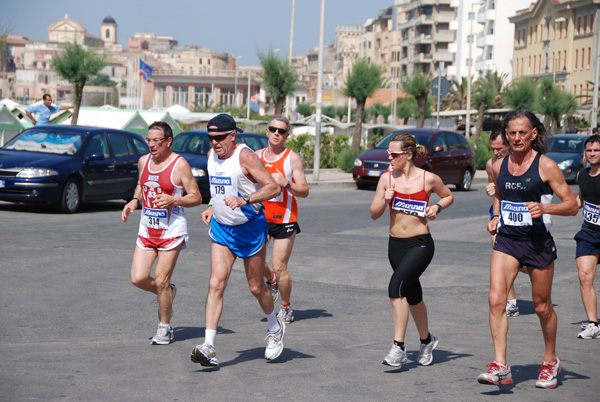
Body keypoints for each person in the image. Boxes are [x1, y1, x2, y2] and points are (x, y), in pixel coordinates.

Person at [478, 110, 578, 389]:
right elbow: (499, 193)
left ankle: (550, 361)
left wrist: (545, 207)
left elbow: (572, 204)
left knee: (542, 307)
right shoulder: (499, 166)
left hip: (537, 243)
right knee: (496, 299)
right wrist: (496, 217)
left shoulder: (545, 166)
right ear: (506, 135)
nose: (517, 137)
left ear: (533, 134)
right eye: (512, 133)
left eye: (523, 132)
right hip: (508, 240)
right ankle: (500, 365)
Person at [190, 114, 284, 367]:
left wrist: (245, 200)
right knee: (216, 283)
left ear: (232, 135)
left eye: (219, 138)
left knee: (256, 287)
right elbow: (218, 186)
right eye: (210, 138)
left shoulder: (245, 157)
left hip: (249, 228)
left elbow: (273, 188)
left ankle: (275, 328)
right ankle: (208, 345)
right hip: (222, 229)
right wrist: (211, 204)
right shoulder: (212, 155)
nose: (214, 143)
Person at [370, 132, 453, 368]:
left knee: (396, 288)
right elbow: (374, 214)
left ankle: (399, 347)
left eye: (394, 154)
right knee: (413, 295)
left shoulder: (428, 179)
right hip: (395, 245)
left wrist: (436, 207)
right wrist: (385, 200)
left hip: (420, 244)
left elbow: (448, 196)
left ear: (408, 155)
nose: (389, 157)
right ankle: (427, 341)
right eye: (388, 153)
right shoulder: (387, 179)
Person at [122, 121, 202, 345]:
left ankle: (165, 328)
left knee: (161, 278)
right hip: (147, 228)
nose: (151, 145)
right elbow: (141, 183)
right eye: (148, 140)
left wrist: (174, 199)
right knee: (137, 278)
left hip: (171, 231)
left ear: (168, 141)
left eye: (156, 140)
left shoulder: (179, 165)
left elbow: (196, 197)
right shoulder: (143, 161)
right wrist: (134, 200)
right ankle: (167, 291)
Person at [258, 115, 309, 324]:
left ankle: (286, 307)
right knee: (255, 262)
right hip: (259, 217)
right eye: (273, 129)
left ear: (287, 134)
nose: (276, 134)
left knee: (279, 267)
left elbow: (304, 191)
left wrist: (286, 183)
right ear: (267, 131)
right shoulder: (256, 156)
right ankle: (271, 281)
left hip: (285, 219)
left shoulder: (292, 158)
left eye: (281, 131)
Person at [485, 129, 525, 318]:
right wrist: (490, 191)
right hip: (499, 211)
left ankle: (532, 267)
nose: (496, 153)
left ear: (508, 145)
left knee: (517, 260)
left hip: (520, 212)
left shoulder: (523, 163)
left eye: (499, 148)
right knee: (500, 250)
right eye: (493, 149)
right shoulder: (491, 164)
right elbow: (495, 191)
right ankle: (511, 302)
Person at [574, 134, 600, 339]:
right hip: (589, 232)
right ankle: (593, 324)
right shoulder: (582, 175)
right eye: (589, 151)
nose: (592, 154)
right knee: (585, 276)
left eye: (597, 151)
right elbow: (580, 200)